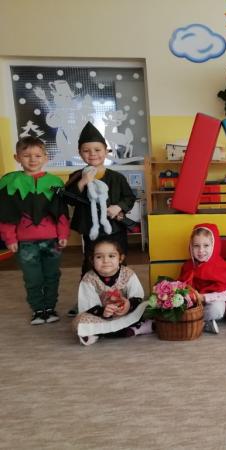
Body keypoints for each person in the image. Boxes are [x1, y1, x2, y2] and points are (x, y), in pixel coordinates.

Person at [65, 122, 136, 315]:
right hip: (92, 230)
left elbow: (129, 197)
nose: (92, 154)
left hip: (115, 230)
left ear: (106, 151)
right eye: (86, 150)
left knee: (118, 263)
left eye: (97, 149)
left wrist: (118, 207)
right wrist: (83, 181)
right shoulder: (76, 176)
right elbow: (68, 198)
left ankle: (123, 298)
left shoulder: (117, 177)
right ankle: (86, 300)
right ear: (80, 153)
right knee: (90, 264)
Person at [0, 136, 70, 324]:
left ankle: (50, 307)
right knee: (32, 277)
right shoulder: (10, 182)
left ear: (46, 158)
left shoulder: (54, 182)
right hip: (25, 242)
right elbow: (6, 214)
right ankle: (38, 309)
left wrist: (63, 233)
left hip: (52, 240)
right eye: (26, 155)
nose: (32, 160)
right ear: (17, 158)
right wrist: (10, 238)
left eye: (38, 155)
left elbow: (61, 212)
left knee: (52, 275)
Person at [73, 238, 151, 345]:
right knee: (79, 322)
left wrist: (128, 306)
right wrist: (104, 312)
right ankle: (133, 330)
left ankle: (100, 333)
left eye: (111, 256)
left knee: (146, 307)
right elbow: (88, 306)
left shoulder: (128, 274)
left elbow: (138, 297)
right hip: (101, 316)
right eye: (99, 257)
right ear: (92, 260)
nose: (105, 260)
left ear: (120, 258)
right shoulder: (88, 279)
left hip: (126, 313)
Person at [178, 223, 226, 334]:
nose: (201, 250)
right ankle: (200, 323)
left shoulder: (220, 266)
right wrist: (186, 295)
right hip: (193, 302)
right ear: (191, 246)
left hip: (210, 301)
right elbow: (182, 285)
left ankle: (197, 322)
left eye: (206, 245)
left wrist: (203, 297)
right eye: (196, 246)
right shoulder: (189, 265)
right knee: (178, 303)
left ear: (214, 246)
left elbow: (225, 294)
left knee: (218, 309)